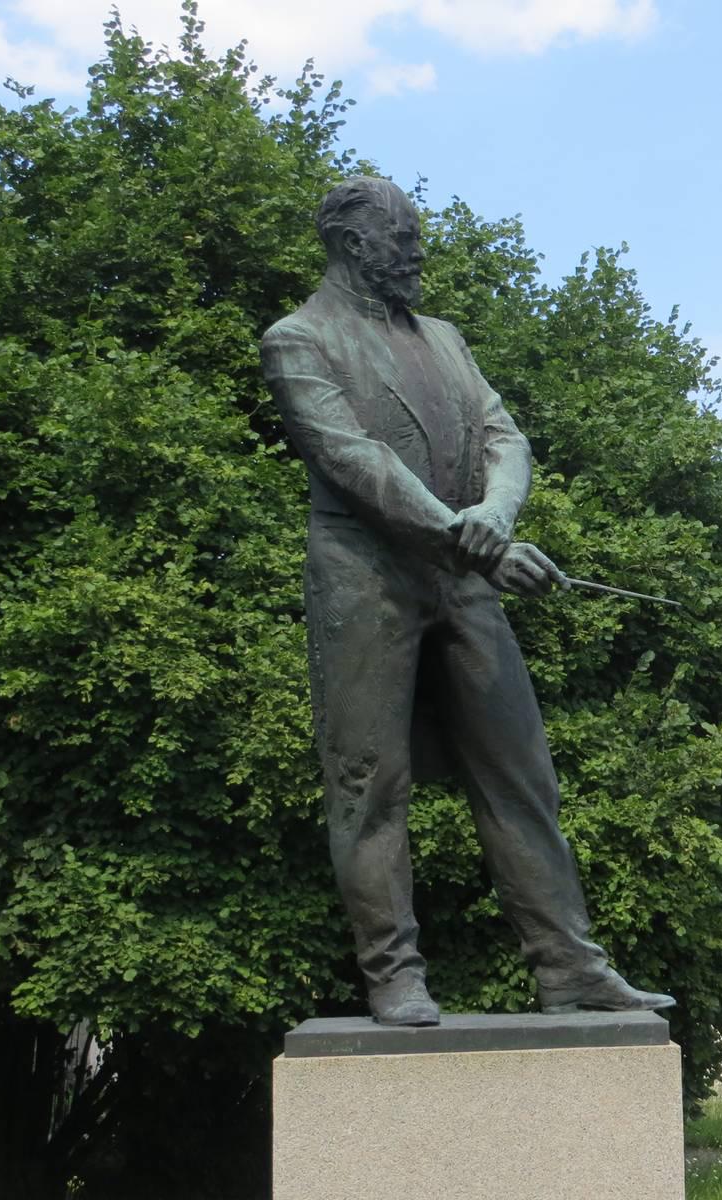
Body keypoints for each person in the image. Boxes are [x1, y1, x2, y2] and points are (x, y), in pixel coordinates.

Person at [260, 176, 673, 1026]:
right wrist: (464, 532)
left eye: (415, 236)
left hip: (463, 571)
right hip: (364, 574)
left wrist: (492, 515)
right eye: (400, 238)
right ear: (349, 243)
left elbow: (503, 435)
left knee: (521, 772)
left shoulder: (443, 337)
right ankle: (393, 973)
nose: (416, 253)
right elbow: (355, 461)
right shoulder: (298, 340)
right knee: (369, 781)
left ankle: (569, 966)